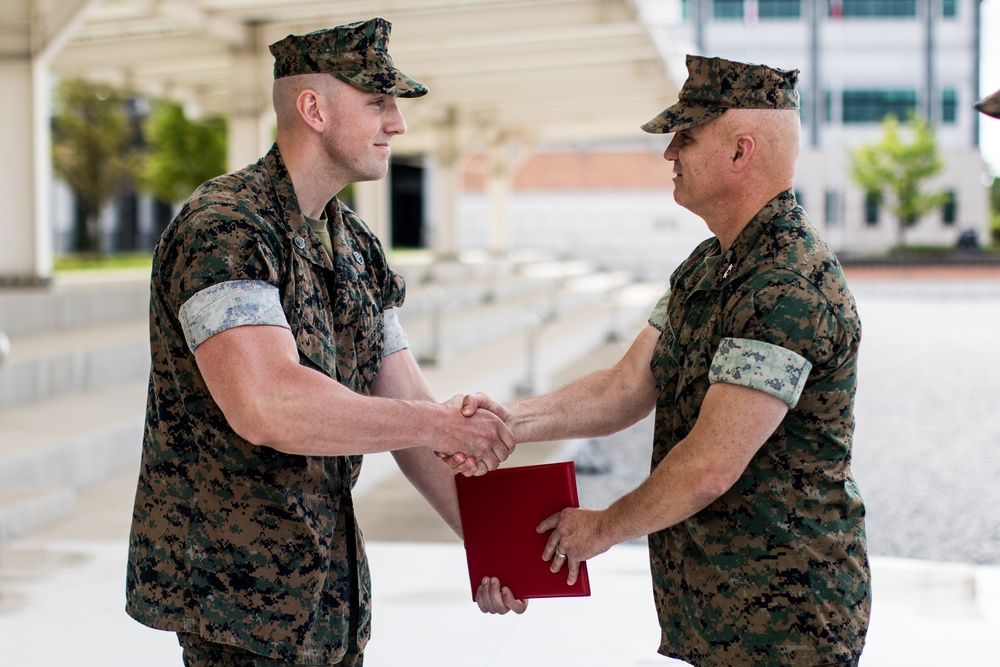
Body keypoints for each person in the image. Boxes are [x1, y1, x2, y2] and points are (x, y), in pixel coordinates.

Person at [125, 17, 513, 666]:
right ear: (314, 109)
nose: (398, 124)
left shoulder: (355, 245)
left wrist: (493, 545)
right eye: (378, 103)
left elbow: (409, 403)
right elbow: (268, 402)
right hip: (237, 606)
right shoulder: (225, 228)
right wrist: (436, 422)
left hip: (329, 600)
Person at [468, 55, 871, 666]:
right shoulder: (710, 265)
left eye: (686, 135)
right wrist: (506, 422)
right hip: (720, 613)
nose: (670, 152)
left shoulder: (788, 284)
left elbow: (711, 463)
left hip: (787, 624)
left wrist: (599, 529)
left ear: (741, 152)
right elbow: (625, 385)